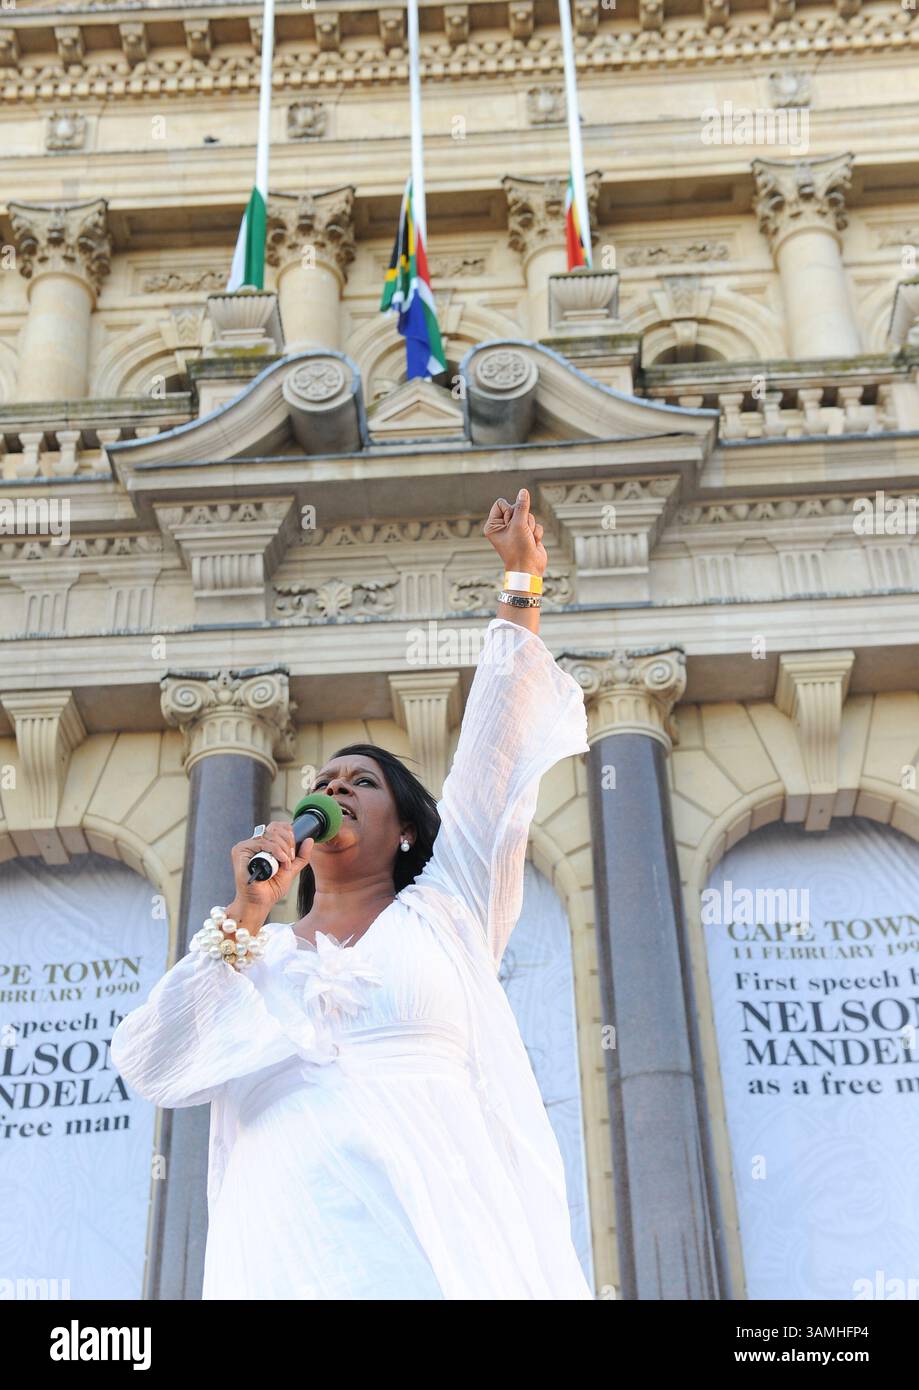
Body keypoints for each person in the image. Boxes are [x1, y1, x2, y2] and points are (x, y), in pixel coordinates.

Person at [110, 488, 593, 1300]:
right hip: (289, 1237)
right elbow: (156, 1061)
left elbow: (493, 753)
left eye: (360, 782)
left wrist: (520, 585)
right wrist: (247, 912)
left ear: (403, 827)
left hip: (435, 1228)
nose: (335, 787)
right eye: (324, 780)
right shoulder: (252, 949)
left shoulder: (449, 910)